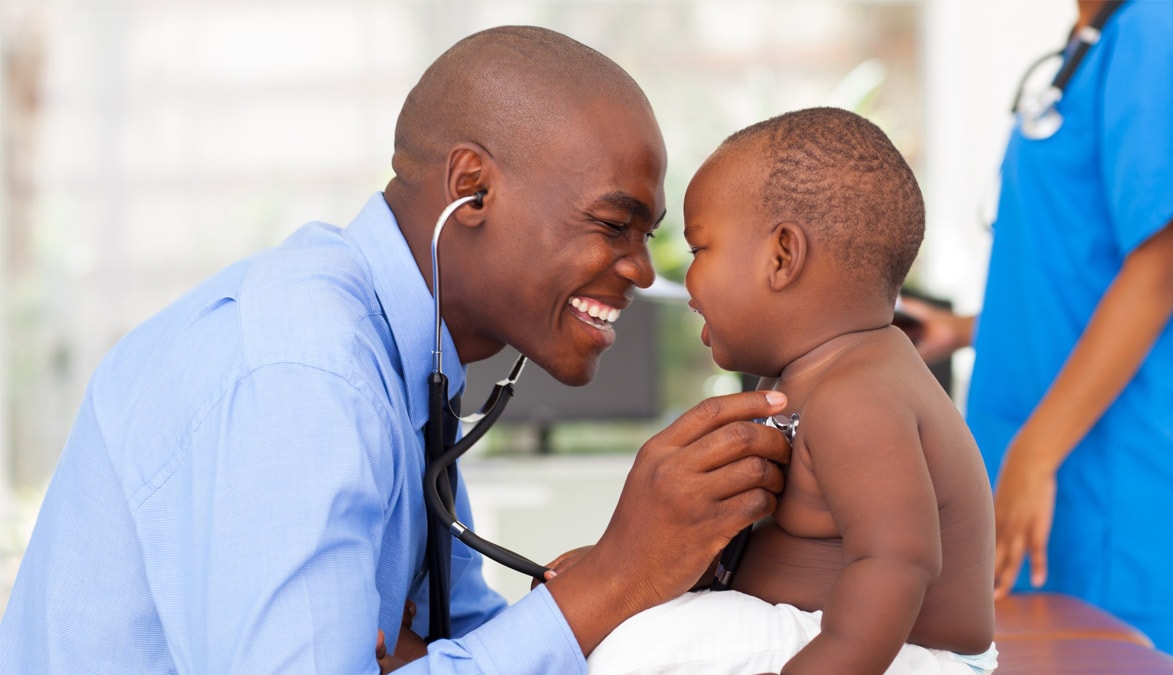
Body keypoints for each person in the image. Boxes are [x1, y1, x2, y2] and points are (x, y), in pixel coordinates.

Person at [0, 26, 794, 674]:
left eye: (646, 235)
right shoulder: (304, 375)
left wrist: (630, 577)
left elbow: (463, 638)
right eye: (613, 223)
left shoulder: (411, 373)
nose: (640, 269)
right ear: (472, 190)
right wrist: (617, 575)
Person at [585, 108, 997, 674]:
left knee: (629, 656)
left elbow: (898, 562)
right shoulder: (804, 379)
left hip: (897, 655)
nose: (680, 280)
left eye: (700, 249)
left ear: (782, 256)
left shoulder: (859, 397)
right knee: (621, 630)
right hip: (825, 634)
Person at [900, 0, 1173, 666]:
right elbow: (1081, 267)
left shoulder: (1154, 23)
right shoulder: (1093, 39)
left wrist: (1034, 456)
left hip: (1112, 484)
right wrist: (967, 329)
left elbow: (1160, 266)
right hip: (1049, 473)